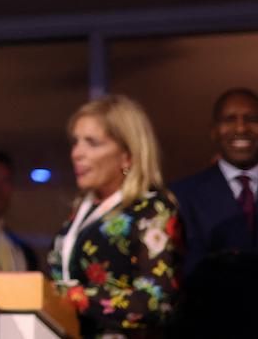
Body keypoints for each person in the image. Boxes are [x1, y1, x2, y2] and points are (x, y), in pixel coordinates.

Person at [48, 95, 180, 338]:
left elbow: (155, 302)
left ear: (127, 156)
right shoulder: (81, 211)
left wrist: (74, 297)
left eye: (92, 143)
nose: (77, 153)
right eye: (76, 142)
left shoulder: (151, 210)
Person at [170, 88, 258, 334]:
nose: (241, 128)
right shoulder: (181, 195)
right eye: (229, 119)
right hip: (209, 327)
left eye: (252, 119)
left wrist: (226, 265)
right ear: (213, 131)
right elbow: (189, 267)